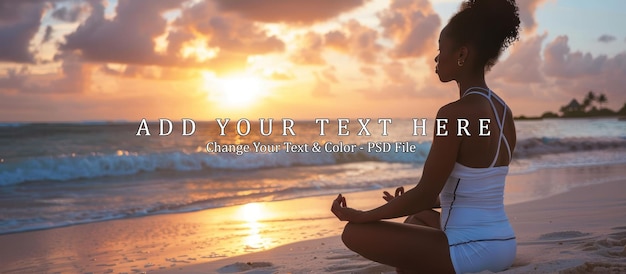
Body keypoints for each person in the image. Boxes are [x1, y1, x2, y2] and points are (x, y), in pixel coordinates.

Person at [330, 0, 521, 273]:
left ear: (462, 55)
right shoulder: (505, 112)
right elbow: (472, 193)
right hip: (504, 244)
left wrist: (362, 216)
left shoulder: (452, 114)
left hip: (472, 251)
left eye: (441, 49)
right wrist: (403, 203)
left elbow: (424, 194)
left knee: (354, 233)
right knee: (415, 219)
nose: (436, 57)